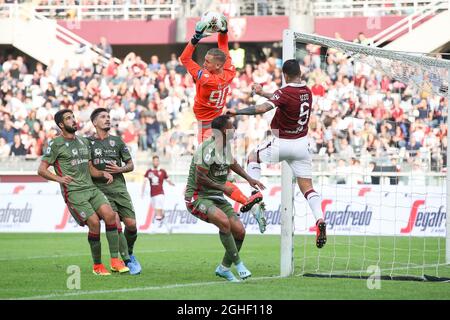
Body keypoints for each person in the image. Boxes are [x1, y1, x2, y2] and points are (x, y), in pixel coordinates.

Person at [227, 59, 327, 249]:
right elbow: (282, 98)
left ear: (285, 75)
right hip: (301, 146)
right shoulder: (307, 91)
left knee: (253, 157)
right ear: (300, 73)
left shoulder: (284, 92)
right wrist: (263, 92)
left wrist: (236, 111)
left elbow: (263, 108)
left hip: (282, 141)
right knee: (307, 187)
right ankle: (320, 219)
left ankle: (255, 193)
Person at [179, 16, 263, 227]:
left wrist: (196, 37)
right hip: (220, 122)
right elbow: (224, 51)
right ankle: (248, 200)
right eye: (204, 61)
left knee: (212, 173)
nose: (204, 64)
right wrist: (223, 32)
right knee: (224, 167)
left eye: (207, 62)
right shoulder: (229, 72)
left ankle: (245, 200)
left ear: (216, 66)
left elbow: (184, 59)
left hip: (208, 126)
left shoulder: (206, 78)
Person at [37, 109, 129, 275]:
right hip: (74, 192)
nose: (73, 120)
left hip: (91, 188)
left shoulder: (83, 142)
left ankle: (115, 260)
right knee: (94, 222)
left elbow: (91, 169)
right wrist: (59, 179)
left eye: (73, 117)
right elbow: (41, 170)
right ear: (61, 125)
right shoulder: (55, 144)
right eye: (68, 118)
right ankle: (97, 266)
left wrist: (102, 173)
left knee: (110, 216)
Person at [184, 115, 265, 282]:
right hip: (198, 197)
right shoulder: (205, 149)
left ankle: (224, 268)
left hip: (216, 196)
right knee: (224, 222)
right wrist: (223, 187)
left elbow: (233, 163)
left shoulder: (225, 147)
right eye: (231, 126)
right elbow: (200, 179)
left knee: (240, 232)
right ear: (222, 131)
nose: (234, 129)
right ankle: (239, 264)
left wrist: (249, 178)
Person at [87, 108, 142, 275]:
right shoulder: (87, 143)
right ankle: (126, 260)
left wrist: (120, 169)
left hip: (119, 187)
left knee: (131, 225)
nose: (107, 119)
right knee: (115, 221)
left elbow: (130, 165)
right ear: (95, 122)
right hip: (100, 188)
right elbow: (87, 167)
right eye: (103, 117)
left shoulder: (117, 141)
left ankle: (129, 252)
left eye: (108, 117)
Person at [142, 155, 175, 229]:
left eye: (157, 161)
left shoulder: (162, 171)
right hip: (152, 194)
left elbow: (168, 180)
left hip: (160, 193)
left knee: (157, 210)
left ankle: (156, 228)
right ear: (152, 162)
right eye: (154, 161)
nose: (156, 162)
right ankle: (167, 225)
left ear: (159, 162)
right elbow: (144, 181)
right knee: (159, 210)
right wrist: (142, 192)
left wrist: (172, 184)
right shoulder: (149, 171)